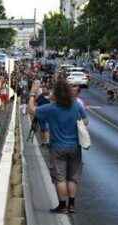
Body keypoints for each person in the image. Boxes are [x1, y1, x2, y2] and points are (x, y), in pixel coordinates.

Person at [28, 78, 88, 213]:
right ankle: (72, 205)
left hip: (57, 147)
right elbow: (86, 121)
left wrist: (32, 93)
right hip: (75, 146)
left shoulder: (51, 108)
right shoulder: (76, 105)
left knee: (60, 178)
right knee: (72, 178)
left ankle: (62, 206)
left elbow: (31, 110)